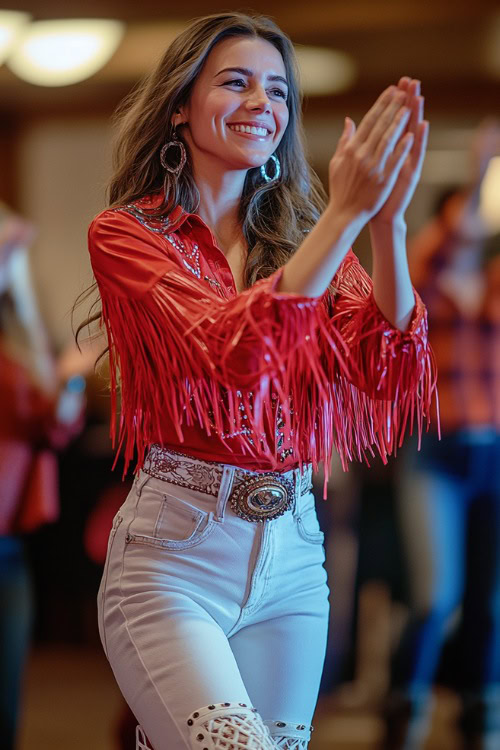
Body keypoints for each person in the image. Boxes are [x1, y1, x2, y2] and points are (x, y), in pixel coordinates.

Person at [82, 12, 437, 750]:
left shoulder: (313, 240)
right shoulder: (129, 235)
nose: (261, 104)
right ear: (180, 104)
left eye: (277, 91)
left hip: (295, 557)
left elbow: (388, 364)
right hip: (174, 554)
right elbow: (228, 352)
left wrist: (388, 223)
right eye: (235, 82)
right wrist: (343, 213)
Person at [385, 121, 500, 750]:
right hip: (434, 456)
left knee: (490, 604)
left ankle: (480, 719)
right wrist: (480, 167)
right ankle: (406, 713)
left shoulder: (493, 287)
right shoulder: (423, 288)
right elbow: (436, 246)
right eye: (464, 216)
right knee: (437, 597)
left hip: (495, 457)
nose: (472, 227)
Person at [0, 204, 84, 748]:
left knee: (6, 698)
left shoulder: (18, 332)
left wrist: (72, 384)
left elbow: (56, 423)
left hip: (8, 545)